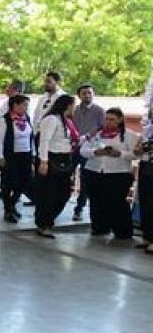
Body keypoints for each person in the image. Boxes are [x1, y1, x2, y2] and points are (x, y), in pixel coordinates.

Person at [80, 108, 137, 239]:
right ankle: (100, 227)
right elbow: (83, 150)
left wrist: (120, 154)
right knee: (96, 201)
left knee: (117, 202)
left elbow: (135, 154)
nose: (108, 122)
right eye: (106, 119)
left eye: (112, 119)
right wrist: (95, 152)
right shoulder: (97, 133)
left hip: (118, 173)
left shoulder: (129, 135)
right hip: (94, 171)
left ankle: (122, 232)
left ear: (120, 120)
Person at [34, 94, 77, 238]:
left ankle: (48, 220)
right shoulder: (52, 119)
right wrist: (43, 161)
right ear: (67, 105)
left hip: (65, 159)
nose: (74, 108)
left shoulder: (66, 121)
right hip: (52, 159)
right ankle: (43, 223)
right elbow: (44, 141)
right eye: (73, 105)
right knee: (49, 194)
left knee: (64, 193)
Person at [0, 95, 34, 224]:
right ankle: (8, 209)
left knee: (24, 182)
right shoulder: (5, 120)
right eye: (24, 105)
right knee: (8, 183)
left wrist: (33, 153)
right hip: (11, 156)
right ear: (15, 105)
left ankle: (12, 204)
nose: (26, 108)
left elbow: (30, 137)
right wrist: (0, 156)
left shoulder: (26, 118)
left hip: (25, 154)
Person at [71, 84, 105, 222]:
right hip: (74, 148)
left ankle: (79, 208)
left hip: (90, 149)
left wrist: (90, 136)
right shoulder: (75, 110)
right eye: (84, 93)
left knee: (86, 180)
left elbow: (103, 128)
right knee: (65, 174)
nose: (87, 96)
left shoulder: (99, 111)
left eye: (90, 93)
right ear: (79, 95)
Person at [135, 113, 153, 255]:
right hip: (146, 166)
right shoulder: (148, 129)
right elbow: (137, 149)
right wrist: (141, 148)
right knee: (145, 201)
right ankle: (147, 236)